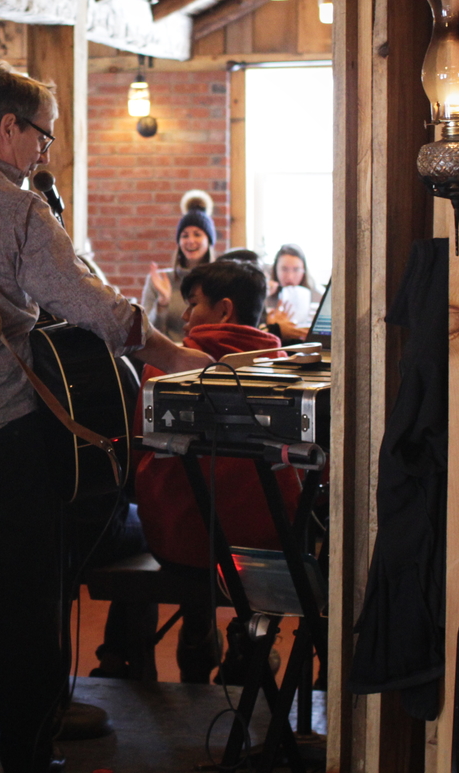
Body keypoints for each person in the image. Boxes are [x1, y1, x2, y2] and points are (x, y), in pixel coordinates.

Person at [0, 64, 212, 773]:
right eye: (43, 137)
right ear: (7, 128)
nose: (44, 154)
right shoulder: (20, 209)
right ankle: (26, 757)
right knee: (24, 610)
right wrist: (166, 350)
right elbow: (86, 302)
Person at [132, 260, 303, 682]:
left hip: (179, 549)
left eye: (192, 304)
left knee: (183, 514)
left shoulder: (163, 369)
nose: (186, 316)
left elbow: (138, 459)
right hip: (261, 556)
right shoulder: (291, 373)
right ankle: (254, 637)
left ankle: (194, 633)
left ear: (224, 310)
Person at [141, 190, 217, 343]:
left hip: (207, 358)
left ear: (208, 241)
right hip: (166, 359)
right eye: (185, 235)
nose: (190, 240)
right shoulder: (159, 280)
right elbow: (145, 335)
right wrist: (162, 302)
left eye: (197, 234)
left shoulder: (219, 281)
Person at [264, 243, 323, 342]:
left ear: (304, 270)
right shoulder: (265, 295)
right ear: (275, 269)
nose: (290, 276)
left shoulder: (318, 296)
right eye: (284, 269)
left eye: (296, 269)